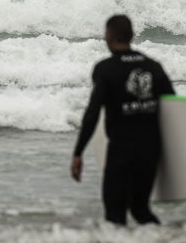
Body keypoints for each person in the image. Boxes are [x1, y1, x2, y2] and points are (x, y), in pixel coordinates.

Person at [71, 14, 175, 226]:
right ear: (132, 36)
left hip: (121, 151)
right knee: (140, 210)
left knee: (114, 217)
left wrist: (78, 152)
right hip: (150, 151)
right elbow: (174, 108)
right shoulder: (154, 67)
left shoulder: (105, 69)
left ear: (108, 37)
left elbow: (92, 113)